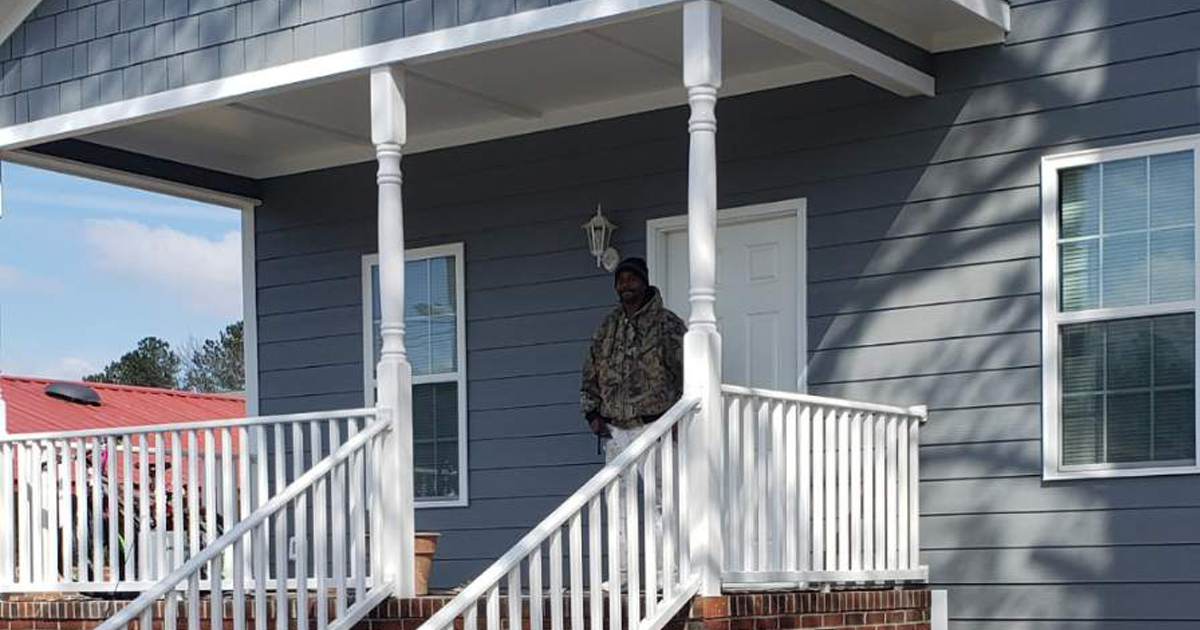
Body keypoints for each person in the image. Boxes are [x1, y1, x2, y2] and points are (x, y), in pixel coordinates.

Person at [580, 257, 687, 460]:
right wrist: (592, 414)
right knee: (617, 491)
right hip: (615, 429)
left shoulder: (667, 324)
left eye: (632, 279)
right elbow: (590, 371)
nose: (625, 285)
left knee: (661, 489)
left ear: (644, 283)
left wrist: (678, 419)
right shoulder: (608, 326)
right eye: (620, 280)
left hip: (656, 426)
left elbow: (688, 372)